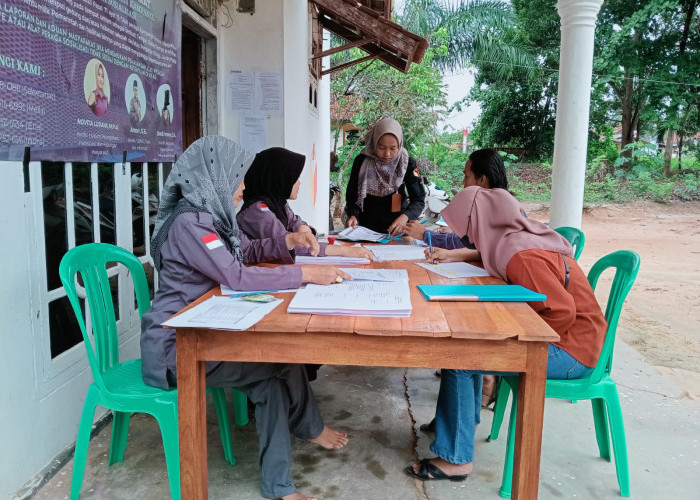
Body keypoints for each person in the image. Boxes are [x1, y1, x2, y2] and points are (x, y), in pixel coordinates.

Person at [141, 136, 351, 500]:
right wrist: (305, 274)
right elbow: (236, 275)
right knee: (274, 371)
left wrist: (287, 242)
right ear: (216, 176)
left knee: (277, 367)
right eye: (238, 178)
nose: (243, 188)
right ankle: (288, 469)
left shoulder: (213, 216)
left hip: (204, 331)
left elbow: (247, 250)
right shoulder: (191, 224)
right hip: (175, 350)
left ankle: (286, 470)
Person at [405, 186, 607, 482]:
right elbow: (496, 263)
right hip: (574, 341)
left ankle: (456, 460)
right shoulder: (515, 241)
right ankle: (461, 429)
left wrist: (516, 340)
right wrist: (464, 256)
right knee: (467, 348)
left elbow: (562, 312)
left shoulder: (523, 255)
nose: (468, 237)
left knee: (460, 358)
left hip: (570, 351)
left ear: (483, 222)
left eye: (469, 229)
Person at [404, 148, 510, 409]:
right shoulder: (500, 205)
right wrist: (460, 253)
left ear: (482, 180)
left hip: (506, 309)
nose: (463, 183)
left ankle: (487, 376)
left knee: (460, 345)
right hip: (494, 290)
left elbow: (467, 241)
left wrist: (427, 236)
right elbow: (470, 243)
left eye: (466, 176)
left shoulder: (503, 214)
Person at [238, 147, 373, 262]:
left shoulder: (279, 203)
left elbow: (296, 222)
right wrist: (344, 251)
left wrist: (303, 228)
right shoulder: (257, 210)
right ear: (279, 178)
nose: (299, 183)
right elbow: (287, 243)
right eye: (294, 178)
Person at [344, 117, 425, 235]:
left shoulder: (406, 163)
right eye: (381, 147)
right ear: (374, 141)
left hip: (397, 229)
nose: (387, 154)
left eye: (393, 149)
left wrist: (405, 217)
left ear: (400, 144)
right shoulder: (362, 161)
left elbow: (418, 199)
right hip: (365, 228)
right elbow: (352, 196)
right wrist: (353, 215)